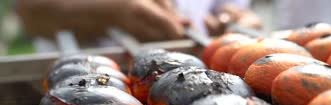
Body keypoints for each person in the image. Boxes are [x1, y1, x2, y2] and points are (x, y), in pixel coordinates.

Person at [15, 0, 261, 43]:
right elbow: (30, 12)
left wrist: (236, 20)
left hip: (202, 74)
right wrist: (109, 13)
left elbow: (230, 9)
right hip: (88, 80)